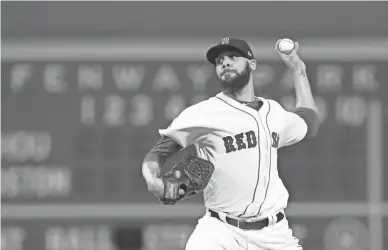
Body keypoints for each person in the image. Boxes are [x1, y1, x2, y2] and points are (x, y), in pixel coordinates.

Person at [142, 37, 319, 250]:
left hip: (273, 235)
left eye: (233, 57)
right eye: (219, 61)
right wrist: (153, 180)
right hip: (220, 230)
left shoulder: (274, 112)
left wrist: (298, 69)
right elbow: (157, 154)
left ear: (252, 64)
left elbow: (309, 122)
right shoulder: (204, 113)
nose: (225, 63)